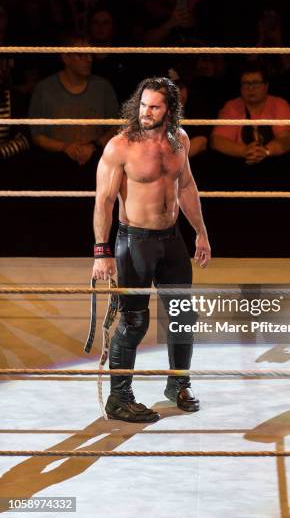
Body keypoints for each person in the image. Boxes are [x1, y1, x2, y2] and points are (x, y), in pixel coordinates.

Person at [92, 76, 211, 423]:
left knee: (182, 316)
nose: (146, 112)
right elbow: (104, 200)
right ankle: (119, 397)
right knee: (133, 322)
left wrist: (200, 232)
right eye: (143, 105)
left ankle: (178, 385)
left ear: (170, 110)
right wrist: (102, 251)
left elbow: (186, 186)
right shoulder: (121, 146)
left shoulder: (180, 140)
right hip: (135, 242)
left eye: (154, 106)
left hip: (171, 240)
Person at [29, 32, 119, 188]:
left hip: (96, 167)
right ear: (66, 58)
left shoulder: (103, 87)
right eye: (81, 55)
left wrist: (94, 146)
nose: (89, 59)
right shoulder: (44, 89)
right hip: (55, 170)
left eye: (91, 54)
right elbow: (37, 135)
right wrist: (65, 147)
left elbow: (116, 127)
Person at [211, 62, 290, 170]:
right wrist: (244, 151)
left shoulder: (279, 104)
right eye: (246, 83)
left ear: (266, 86)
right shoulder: (232, 106)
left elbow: (288, 138)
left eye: (256, 83)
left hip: (276, 167)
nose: (251, 88)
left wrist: (266, 151)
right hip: (238, 167)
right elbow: (217, 141)